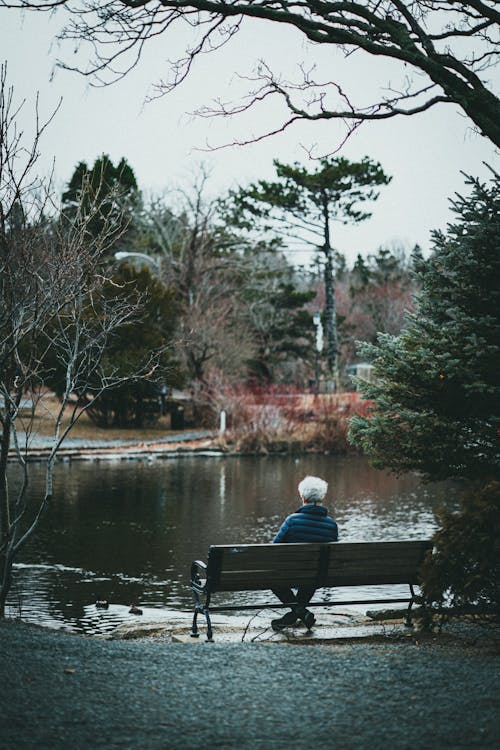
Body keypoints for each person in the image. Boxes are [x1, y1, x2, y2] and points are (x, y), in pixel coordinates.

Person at [271, 475, 338, 631]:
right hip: (318, 576)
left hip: (292, 573)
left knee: (274, 581)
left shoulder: (292, 521)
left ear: (302, 497)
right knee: (311, 578)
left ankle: (299, 612)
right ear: (323, 497)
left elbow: (274, 549)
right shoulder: (331, 525)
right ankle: (299, 613)